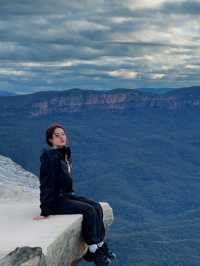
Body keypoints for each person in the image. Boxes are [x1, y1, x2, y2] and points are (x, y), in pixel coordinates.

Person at [33, 123, 116, 266]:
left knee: (96, 206)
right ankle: (93, 251)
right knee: (89, 210)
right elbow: (46, 184)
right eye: (56, 136)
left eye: (63, 134)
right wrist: (45, 210)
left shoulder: (63, 153)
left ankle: (100, 245)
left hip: (65, 195)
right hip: (55, 201)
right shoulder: (50, 157)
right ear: (50, 140)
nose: (61, 137)